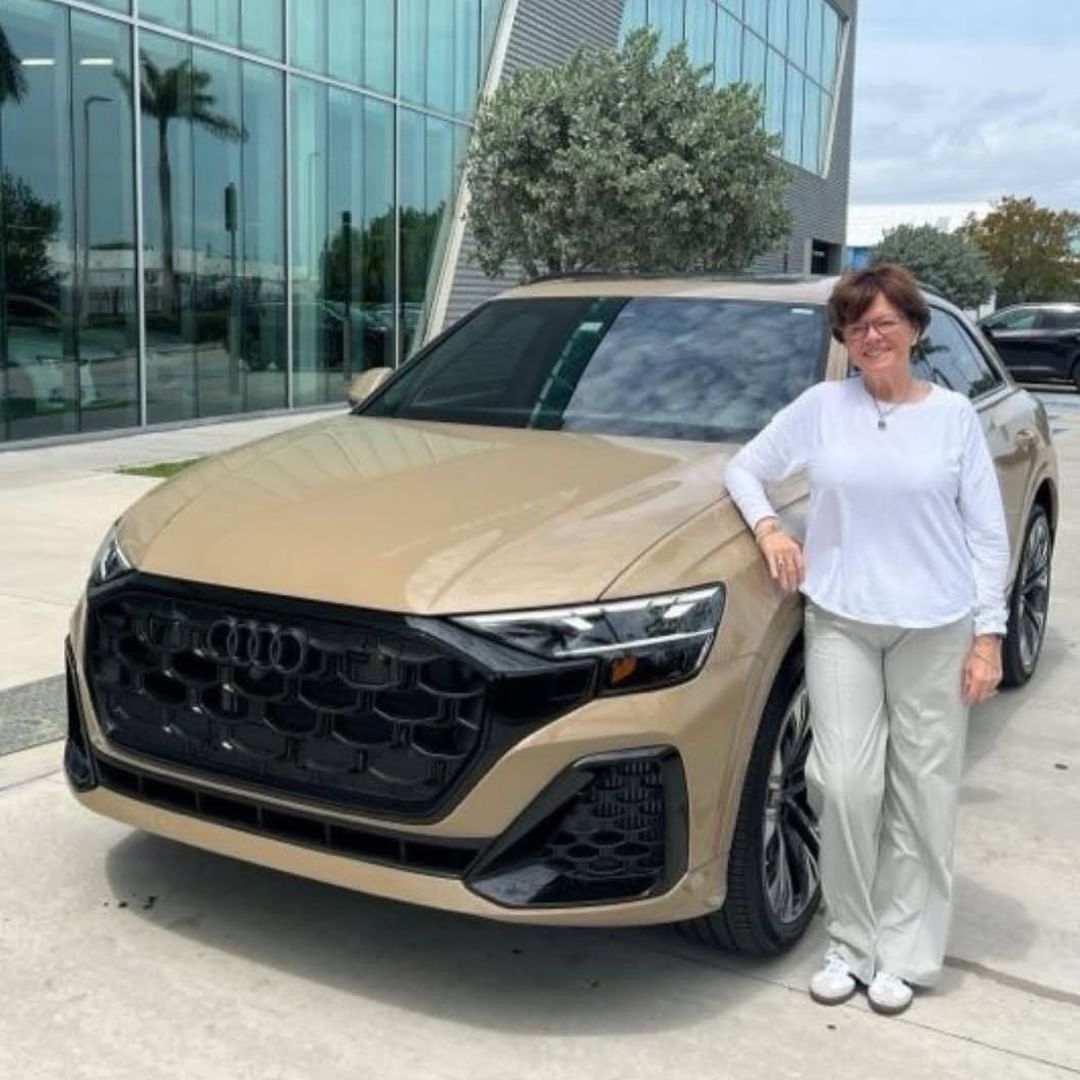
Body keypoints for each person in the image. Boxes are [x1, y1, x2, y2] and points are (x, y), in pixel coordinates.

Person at [724, 264, 1009, 1017]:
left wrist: (988, 637)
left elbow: (988, 534)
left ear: (914, 328)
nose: (870, 337)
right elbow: (744, 468)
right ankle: (849, 941)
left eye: (884, 322)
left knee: (923, 794)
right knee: (843, 784)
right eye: (855, 326)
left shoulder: (952, 417)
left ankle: (906, 953)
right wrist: (769, 528)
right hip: (842, 620)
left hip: (935, 626)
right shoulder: (823, 407)